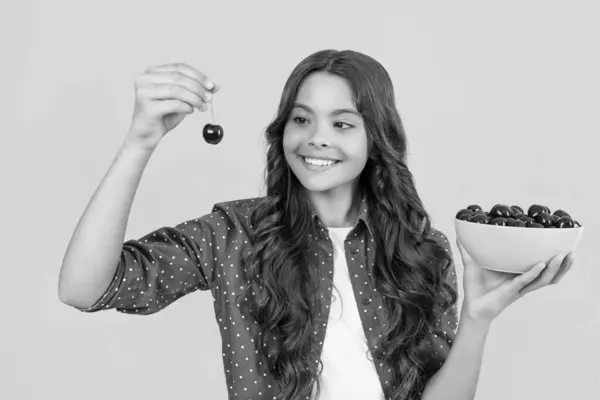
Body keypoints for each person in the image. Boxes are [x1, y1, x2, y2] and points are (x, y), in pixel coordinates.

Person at [58, 49, 575, 400]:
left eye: (342, 123)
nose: (315, 138)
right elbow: (85, 288)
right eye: (301, 119)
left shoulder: (423, 250)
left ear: (377, 137)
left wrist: (478, 320)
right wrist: (140, 140)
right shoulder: (233, 234)